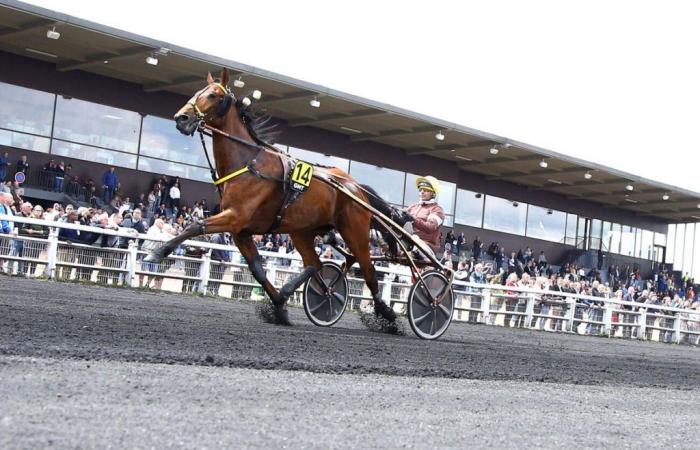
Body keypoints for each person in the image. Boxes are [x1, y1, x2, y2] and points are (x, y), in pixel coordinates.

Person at [403, 175, 445, 256]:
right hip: (409, 242)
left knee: (413, 242)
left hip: (427, 247)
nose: (422, 192)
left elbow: (430, 227)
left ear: (433, 193)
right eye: (420, 189)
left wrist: (413, 219)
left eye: (425, 190)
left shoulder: (437, 210)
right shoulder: (412, 207)